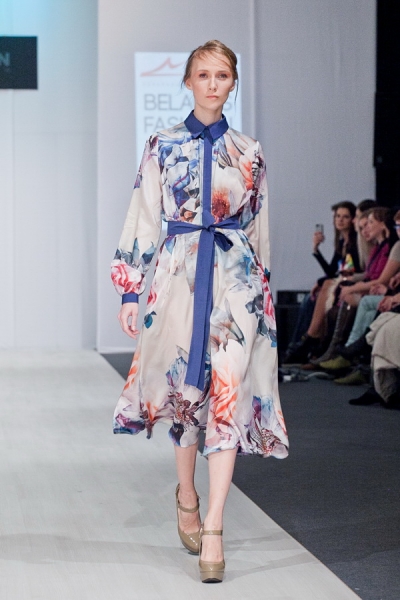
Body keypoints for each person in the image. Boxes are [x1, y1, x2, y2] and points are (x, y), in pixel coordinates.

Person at [110, 40, 288, 583]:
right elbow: (143, 216)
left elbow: (258, 227)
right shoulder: (162, 146)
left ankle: (214, 526)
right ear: (187, 81)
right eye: (204, 74)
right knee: (187, 398)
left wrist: (265, 292)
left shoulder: (250, 151)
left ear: (233, 83)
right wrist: (130, 289)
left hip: (237, 284)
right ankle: (186, 494)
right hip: (179, 280)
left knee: (227, 393)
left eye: (223, 75)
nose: (213, 84)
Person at [283, 201, 360, 364]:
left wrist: (322, 282)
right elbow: (331, 270)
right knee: (308, 299)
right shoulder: (342, 242)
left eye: (345, 217)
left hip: (349, 283)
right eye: (338, 216)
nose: (340, 220)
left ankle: (309, 338)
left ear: (353, 219)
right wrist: (316, 250)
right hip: (340, 282)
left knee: (322, 289)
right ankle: (300, 342)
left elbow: (348, 271)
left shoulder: (355, 243)